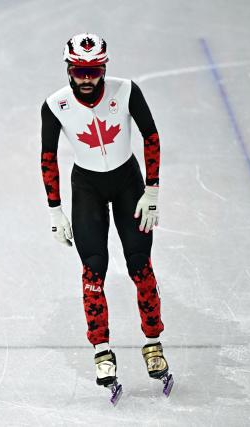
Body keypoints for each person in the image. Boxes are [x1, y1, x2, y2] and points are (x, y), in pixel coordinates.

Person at [40, 33, 170, 389]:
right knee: (93, 270)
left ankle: (153, 342)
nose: (86, 79)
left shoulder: (126, 91)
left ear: (104, 68)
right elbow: (47, 158)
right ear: (68, 68)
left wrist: (152, 190)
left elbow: (151, 136)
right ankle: (101, 351)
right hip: (87, 190)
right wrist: (55, 211)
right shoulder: (55, 104)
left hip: (129, 185)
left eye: (93, 71)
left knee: (140, 264)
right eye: (79, 71)